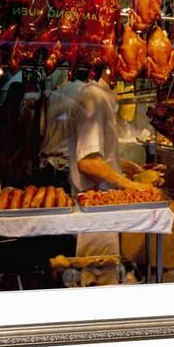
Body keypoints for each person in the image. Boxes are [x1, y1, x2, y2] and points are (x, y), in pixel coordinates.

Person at [68, 69, 152, 255]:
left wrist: (125, 166)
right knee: (99, 275)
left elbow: (98, 154)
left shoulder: (100, 97)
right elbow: (88, 163)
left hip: (103, 208)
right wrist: (130, 185)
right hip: (96, 210)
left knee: (107, 272)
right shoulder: (94, 98)